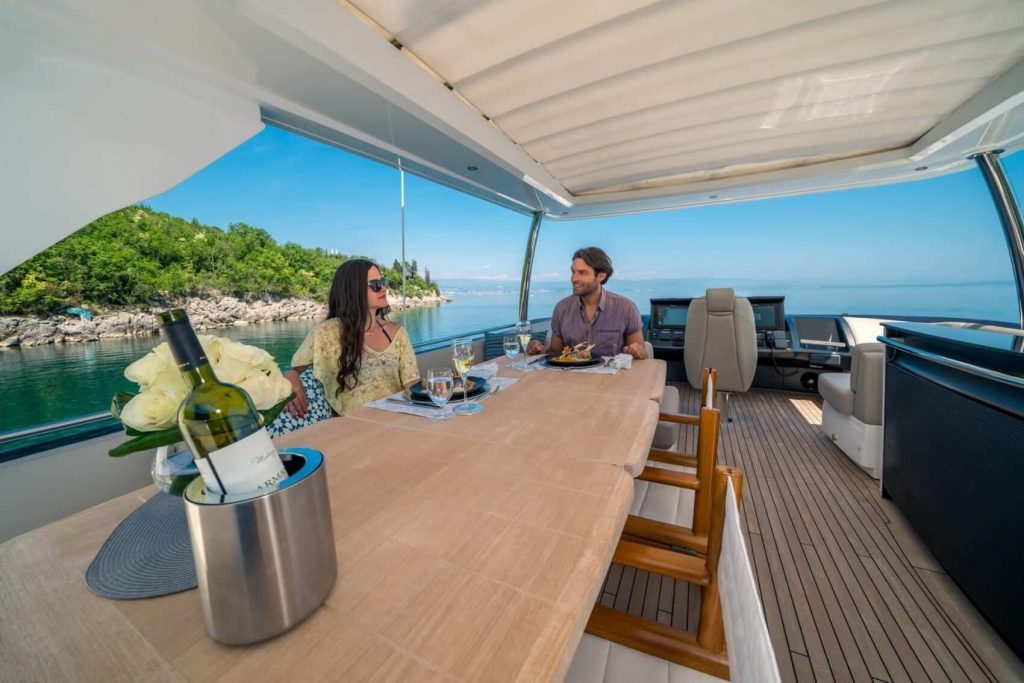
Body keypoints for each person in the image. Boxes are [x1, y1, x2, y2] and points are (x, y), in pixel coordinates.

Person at [269, 259, 420, 435]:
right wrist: (291, 380)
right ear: (353, 289)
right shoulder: (327, 333)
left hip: (396, 424)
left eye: (383, 282)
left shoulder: (397, 333)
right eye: (376, 284)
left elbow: (412, 384)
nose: (384, 288)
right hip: (350, 431)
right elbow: (294, 370)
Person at [527, 247, 647, 359]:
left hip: (612, 379)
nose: (574, 278)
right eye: (573, 272)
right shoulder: (561, 309)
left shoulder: (626, 308)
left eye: (582, 272)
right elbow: (555, 354)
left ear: (600, 276)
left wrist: (637, 352)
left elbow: (641, 357)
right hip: (571, 378)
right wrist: (539, 350)